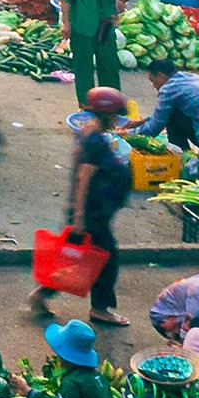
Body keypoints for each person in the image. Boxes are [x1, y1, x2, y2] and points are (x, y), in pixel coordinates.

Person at [41, 91, 134, 326]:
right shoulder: (94, 141)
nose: (117, 119)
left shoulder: (90, 133)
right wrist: (79, 216)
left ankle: (40, 296)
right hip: (92, 214)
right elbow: (84, 176)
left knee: (72, 257)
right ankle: (100, 309)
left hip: (91, 211)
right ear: (107, 114)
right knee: (106, 260)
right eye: (114, 115)